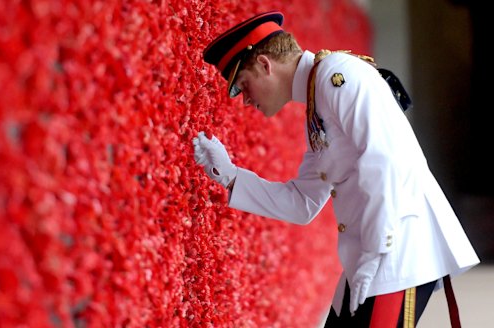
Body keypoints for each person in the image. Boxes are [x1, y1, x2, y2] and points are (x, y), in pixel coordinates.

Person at [192, 10, 480, 327]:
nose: (245, 100)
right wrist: (231, 176)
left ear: (264, 65)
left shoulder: (336, 76)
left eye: (244, 85)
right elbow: (303, 203)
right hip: (372, 261)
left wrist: (374, 253)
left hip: (395, 255)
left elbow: (383, 162)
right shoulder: (320, 96)